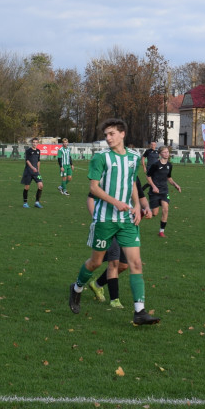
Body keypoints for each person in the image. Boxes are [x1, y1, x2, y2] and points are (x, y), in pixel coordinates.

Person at [69, 118, 160, 325]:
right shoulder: (101, 158)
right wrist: (116, 202)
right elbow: (93, 188)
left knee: (135, 263)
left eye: (111, 134)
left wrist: (137, 206)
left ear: (122, 134)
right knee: (96, 262)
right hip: (104, 219)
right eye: (106, 135)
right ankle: (76, 288)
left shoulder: (134, 158)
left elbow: (132, 184)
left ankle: (140, 311)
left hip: (127, 220)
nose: (108, 138)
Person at [146, 145, 182, 237]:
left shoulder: (169, 165)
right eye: (164, 152)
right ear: (160, 154)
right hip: (155, 191)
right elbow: (148, 176)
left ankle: (161, 231)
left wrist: (175, 184)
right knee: (154, 213)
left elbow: (169, 178)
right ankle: (142, 211)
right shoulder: (155, 165)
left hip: (164, 191)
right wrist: (153, 186)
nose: (166, 154)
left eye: (167, 152)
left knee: (165, 209)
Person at [21, 137, 44, 208]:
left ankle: (37, 202)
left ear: (38, 143)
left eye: (36, 142)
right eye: (33, 142)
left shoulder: (38, 151)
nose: (34, 144)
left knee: (41, 185)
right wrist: (32, 168)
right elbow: (27, 161)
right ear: (32, 143)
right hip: (28, 171)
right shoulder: (28, 150)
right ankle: (25, 203)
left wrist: (38, 170)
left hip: (36, 172)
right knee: (27, 187)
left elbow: (38, 161)